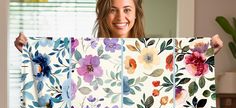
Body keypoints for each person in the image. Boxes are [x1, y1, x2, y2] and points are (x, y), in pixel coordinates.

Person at [15, 0, 223, 53]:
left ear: (136, 14)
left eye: (126, 9)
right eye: (113, 9)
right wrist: (30, 49)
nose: (120, 17)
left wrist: (207, 49)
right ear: (104, 14)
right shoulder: (87, 51)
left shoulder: (153, 51)